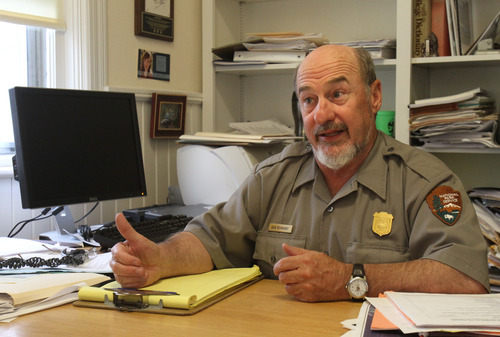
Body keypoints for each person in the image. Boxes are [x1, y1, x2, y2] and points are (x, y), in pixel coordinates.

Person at [111, 45, 489, 302]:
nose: (321, 115)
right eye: (308, 100)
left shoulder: (425, 181)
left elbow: (466, 279)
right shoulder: (273, 176)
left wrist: (350, 279)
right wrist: (160, 259)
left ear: (374, 98)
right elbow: (210, 240)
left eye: (337, 95)